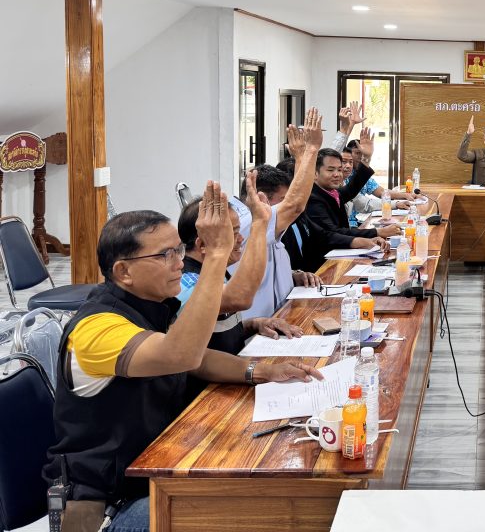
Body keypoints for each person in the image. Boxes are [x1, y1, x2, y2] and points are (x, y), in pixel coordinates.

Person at [45, 185, 323, 532]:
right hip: (108, 504)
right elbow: (182, 355)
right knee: (252, 510)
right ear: (124, 271)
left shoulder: (152, 306)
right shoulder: (96, 328)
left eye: (178, 250)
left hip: (153, 470)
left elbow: (198, 358)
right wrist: (217, 253)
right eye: (165, 255)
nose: (179, 262)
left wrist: (261, 371)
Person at [176, 170, 300, 356]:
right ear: (202, 244)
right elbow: (239, 298)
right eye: (233, 233)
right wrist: (259, 223)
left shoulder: (216, 271)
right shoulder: (186, 283)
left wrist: (254, 324)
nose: (241, 239)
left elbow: (217, 329)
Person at [231, 109, 329, 320]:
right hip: (258, 331)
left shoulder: (266, 226)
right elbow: (295, 205)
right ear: (261, 198)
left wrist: (292, 275)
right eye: (282, 200)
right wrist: (311, 149)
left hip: (284, 317)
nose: (286, 206)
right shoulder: (248, 221)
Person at [304, 132, 396, 263]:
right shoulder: (313, 198)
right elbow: (332, 232)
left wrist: (366, 158)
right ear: (315, 173)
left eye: (339, 169)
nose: (337, 174)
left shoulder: (331, 192)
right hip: (323, 262)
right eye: (330, 170)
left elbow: (352, 188)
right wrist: (376, 232)